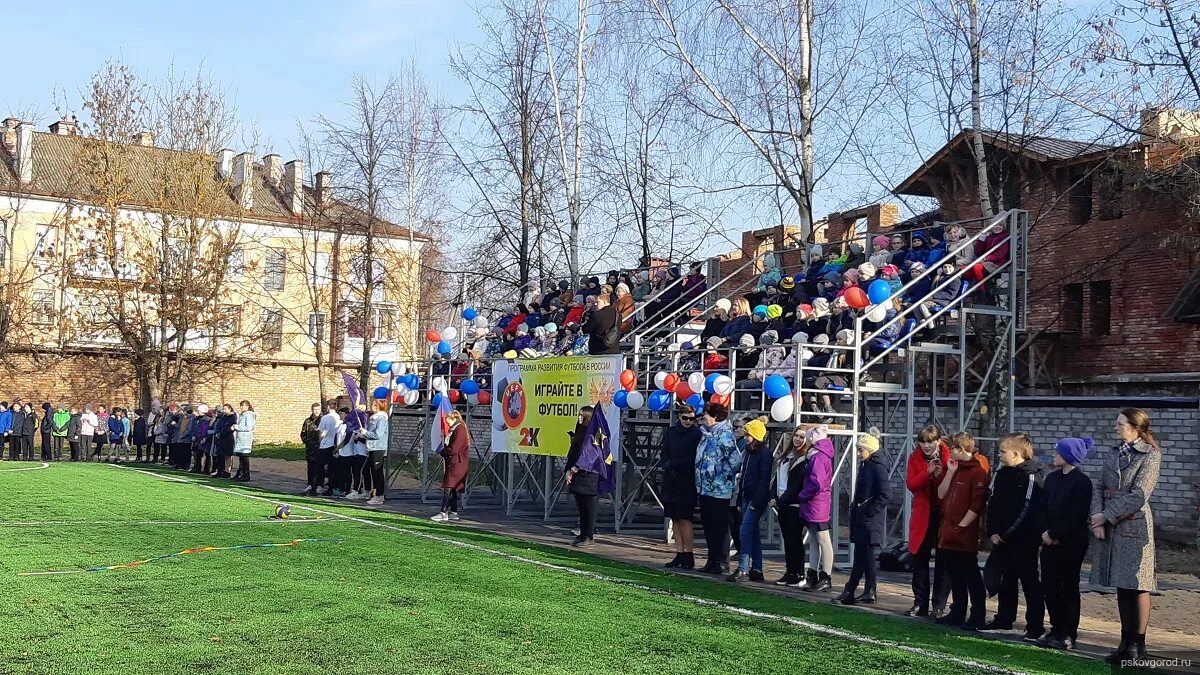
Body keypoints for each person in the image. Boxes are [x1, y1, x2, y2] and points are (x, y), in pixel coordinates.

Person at [1091, 408, 1161, 664]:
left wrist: (1106, 515)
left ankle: (1137, 643)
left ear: (1134, 427)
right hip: (1111, 525)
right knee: (1122, 584)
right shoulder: (1113, 453)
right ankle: (1124, 641)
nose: (1115, 427)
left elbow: (1140, 494)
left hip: (1134, 525)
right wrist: (1097, 519)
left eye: (1120, 423)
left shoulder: (1150, 456)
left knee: (1138, 585)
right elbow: (1099, 486)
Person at [984, 432, 1045, 640]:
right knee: (1006, 579)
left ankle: (1035, 625)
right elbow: (993, 504)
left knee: (1029, 581)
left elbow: (1027, 509)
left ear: (1017, 453)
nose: (1000, 455)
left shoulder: (1030, 476)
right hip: (1001, 539)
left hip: (1024, 540)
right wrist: (992, 531)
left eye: (1003, 452)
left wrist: (1008, 533)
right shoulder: (1002, 474)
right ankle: (1004, 618)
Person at [1039, 437, 1094, 651]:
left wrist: (1055, 533)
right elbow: (1043, 508)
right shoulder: (1052, 479)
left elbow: (1076, 515)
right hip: (1048, 541)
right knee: (1049, 587)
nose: (1055, 455)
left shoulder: (1082, 482)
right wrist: (1044, 532)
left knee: (1068, 587)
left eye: (1058, 452)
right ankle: (1055, 628)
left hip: (1071, 543)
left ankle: (1069, 632)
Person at [936, 431, 989, 631]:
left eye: (951, 449)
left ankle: (978, 614)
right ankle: (958, 611)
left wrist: (962, 527)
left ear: (960, 449)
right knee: (955, 575)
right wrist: (949, 472)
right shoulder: (956, 469)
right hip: (949, 530)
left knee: (970, 574)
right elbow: (941, 494)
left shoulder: (977, 471)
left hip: (962, 534)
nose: (949, 453)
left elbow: (977, 505)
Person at [834, 430, 891, 605]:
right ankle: (865, 590)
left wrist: (866, 510)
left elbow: (885, 495)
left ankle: (853, 589)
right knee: (864, 557)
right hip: (863, 518)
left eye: (861, 450)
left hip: (869, 520)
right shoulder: (867, 464)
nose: (859, 453)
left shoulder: (877, 467)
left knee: (863, 557)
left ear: (870, 450)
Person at [905, 425, 952, 618]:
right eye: (923, 442)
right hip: (923, 514)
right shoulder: (915, 458)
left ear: (939, 441)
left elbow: (948, 485)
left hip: (943, 514)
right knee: (920, 559)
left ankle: (939, 605)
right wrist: (927, 473)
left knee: (943, 561)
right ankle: (920, 603)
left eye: (930, 442)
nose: (926, 446)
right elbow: (911, 484)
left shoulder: (948, 456)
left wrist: (939, 472)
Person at [695, 403, 741, 574]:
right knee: (708, 525)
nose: (703, 418)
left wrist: (720, 474)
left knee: (720, 526)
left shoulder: (725, 436)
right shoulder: (706, 435)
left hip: (720, 489)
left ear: (715, 416)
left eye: (706, 414)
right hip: (704, 488)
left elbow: (735, 461)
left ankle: (722, 561)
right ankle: (711, 559)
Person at [728, 417, 772, 583]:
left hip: (755, 499)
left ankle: (743, 568)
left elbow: (763, 481)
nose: (746, 437)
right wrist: (740, 499)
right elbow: (744, 476)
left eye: (748, 434)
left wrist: (756, 502)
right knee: (752, 533)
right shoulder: (748, 452)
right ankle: (757, 569)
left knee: (745, 531)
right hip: (746, 496)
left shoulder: (765, 454)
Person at [661, 405, 702, 569]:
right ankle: (679, 553)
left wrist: (675, 463)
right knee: (675, 517)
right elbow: (664, 451)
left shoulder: (696, 434)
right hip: (671, 478)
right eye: (685, 418)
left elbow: (694, 457)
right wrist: (667, 464)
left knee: (685, 518)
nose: (688, 421)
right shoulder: (671, 432)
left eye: (691, 419)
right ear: (679, 417)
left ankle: (689, 554)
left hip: (687, 479)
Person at [797, 425, 835, 592]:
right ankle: (812, 574)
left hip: (817, 503)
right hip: (814, 503)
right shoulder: (818, 454)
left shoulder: (819, 456)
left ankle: (825, 576)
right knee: (813, 539)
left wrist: (803, 494)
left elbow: (817, 483)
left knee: (823, 540)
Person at [771, 427, 809, 587]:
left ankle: (799, 573)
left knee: (795, 539)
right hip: (781, 503)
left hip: (793, 504)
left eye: (801, 437)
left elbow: (796, 486)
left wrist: (782, 500)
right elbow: (776, 480)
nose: (797, 439)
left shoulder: (803, 459)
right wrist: (773, 496)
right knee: (787, 539)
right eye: (796, 436)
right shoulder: (785, 456)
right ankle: (790, 570)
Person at [433, 410, 470, 522]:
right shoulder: (455, 429)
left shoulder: (460, 430)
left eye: (447, 420)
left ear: (453, 418)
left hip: (457, 463)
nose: (447, 422)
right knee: (453, 488)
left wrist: (443, 451)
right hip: (454, 462)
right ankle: (453, 512)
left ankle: (443, 512)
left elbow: (455, 448)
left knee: (448, 487)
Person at [362, 399, 390, 505]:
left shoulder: (381, 418)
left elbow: (378, 434)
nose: (373, 407)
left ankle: (379, 495)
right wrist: (363, 434)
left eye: (375, 405)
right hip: (372, 448)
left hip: (378, 447)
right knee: (372, 471)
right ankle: (375, 492)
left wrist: (366, 433)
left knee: (377, 472)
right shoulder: (373, 418)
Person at [317, 401, 341, 496]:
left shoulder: (325, 418)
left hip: (326, 444)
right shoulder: (338, 417)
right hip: (334, 445)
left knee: (320, 466)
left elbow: (321, 431)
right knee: (332, 467)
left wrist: (320, 442)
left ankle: (320, 485)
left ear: (328, 407)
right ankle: (332, 486)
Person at [300, 403, 323, 495]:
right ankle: (310, 484)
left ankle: (319, 485)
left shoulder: (323, 419)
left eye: (318, 409)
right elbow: (303, 433)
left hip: (320, 447)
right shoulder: (307, 421)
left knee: (320, 467)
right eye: (315, 409)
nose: (316, 411)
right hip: (310, 448)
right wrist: (307, 441)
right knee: (311, 466)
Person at [233, 400, 256, 481]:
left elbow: (249, 427)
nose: (241, 407)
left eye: (243, 406)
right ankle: (240, 473)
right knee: (241, 457)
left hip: (245, 439)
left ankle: (246, 475)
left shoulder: (249, 415)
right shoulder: (242, 415)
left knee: (244, 457)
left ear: (247, 406)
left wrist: (237, 427)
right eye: (241, 406)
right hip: (241, 439)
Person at [211, 404, 236, 479]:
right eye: (223, 409)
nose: (224, 411)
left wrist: (223, 432)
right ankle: (220, 471)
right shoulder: (223, 417)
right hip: (220, 438)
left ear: (230, 409)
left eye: (225, 409)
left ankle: (227, 471)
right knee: (220, 455)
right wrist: (218, 433)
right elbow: (219, 426)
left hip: (228, 438)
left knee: (227, 455)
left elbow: (230, 427)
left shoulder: (233, 417)